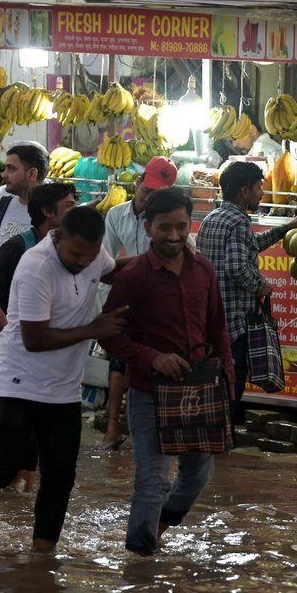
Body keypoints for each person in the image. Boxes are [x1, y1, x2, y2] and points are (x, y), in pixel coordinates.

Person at [0, 206, 128, 553]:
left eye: (90, 255)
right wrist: (94, 329)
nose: (84, 263)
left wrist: (158, 257)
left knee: (60, 476)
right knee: (1, 467)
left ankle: (43, 557)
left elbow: (114, 272)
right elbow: (34, 339)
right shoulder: (36, 265)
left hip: (64, 389)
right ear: (57, 235)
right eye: (75, 255)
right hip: (17, 381)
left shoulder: (92, 253)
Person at [99, 188, 233, 555]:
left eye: (181, 227)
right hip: (148, 391)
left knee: (197, 476)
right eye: (164, 228)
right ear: (147, 228)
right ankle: (139, 563)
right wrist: (151, 357)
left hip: (201, 390)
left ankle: (154, 531)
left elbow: (218, 328)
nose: (173, 236)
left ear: (190, 226)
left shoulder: (203, 270)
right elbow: (110, 336)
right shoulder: (134, 277)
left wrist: (228, 383)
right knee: (152, 480)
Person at [0, 182, 78, 494]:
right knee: (5, 451)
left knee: (34, 442)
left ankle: (19, 506)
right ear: (48, 212)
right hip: (14, 359)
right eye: (68, 205)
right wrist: (14, 336)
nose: (75, 210)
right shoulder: (19, 248)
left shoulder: (69, 249)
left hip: (47, 360)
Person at [195, 160, 297, 421]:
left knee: (213, 381)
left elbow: (249, 246)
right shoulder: (239, 220)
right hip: (232, 321)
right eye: (259, 187)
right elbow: (236, 267)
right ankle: (222, 438)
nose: (262, 194)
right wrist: (261, 285)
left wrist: (285, 229)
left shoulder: (213, 218)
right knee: (232, 383)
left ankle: (211, 432)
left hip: (209, 317)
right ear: (245, 191)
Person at [99, 156, 178, 451]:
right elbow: (104, 263)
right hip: (125, 295)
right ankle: (112, 424)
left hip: (159, 302)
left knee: (154, 363)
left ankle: (151, 429)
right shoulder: (116, 215)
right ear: (137, 183)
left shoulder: (167, 221)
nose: (148, 198)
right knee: (120, 361)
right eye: (147, 191)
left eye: (157, 194)